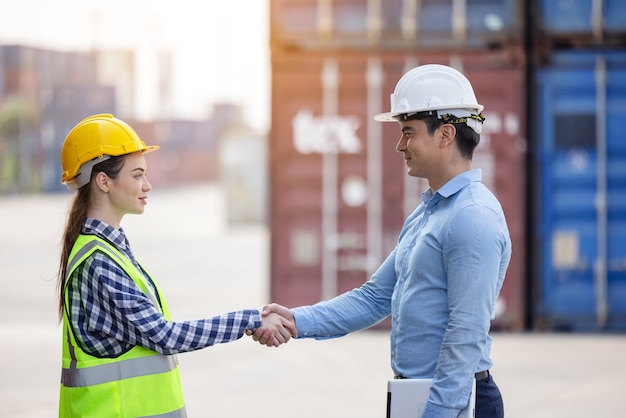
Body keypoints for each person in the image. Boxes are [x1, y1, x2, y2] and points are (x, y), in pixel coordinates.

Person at [252, 64, 511, 418]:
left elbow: (465, 334)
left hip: (454, 402)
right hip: (420, 396)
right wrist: (297, 321)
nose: (400, 145)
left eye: (408, 132)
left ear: (446, 134)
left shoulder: (472, 217)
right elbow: (375, 297)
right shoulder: (428, 213)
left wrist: (435, 413)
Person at [56, 114, 295, 418]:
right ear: (104, 181)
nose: (148, 185)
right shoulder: (100, 263)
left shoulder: (108, 250)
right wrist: (251, 320)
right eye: (137, 175)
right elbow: (166, 337)